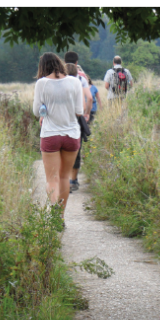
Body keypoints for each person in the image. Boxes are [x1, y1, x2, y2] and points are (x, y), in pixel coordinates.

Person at [32, 53, 82, 222]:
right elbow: (79, 111)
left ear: (42, 67)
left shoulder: (41, 83)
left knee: (52, 179)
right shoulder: (74, 81)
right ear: (59, 64)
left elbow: (36, 111)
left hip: (50, 134)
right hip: (71, 134)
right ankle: (60, 216)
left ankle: (53, 213)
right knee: (64, 177)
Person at [63, 53, 93, 193]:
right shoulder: (81, 77)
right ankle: (73, 180)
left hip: (61, 118)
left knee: (62, 148)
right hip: (76, 118)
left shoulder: (57, 77)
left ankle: (63, 179)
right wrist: (86, 113)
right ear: (77, 62)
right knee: (76, 148)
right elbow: (90, 98)